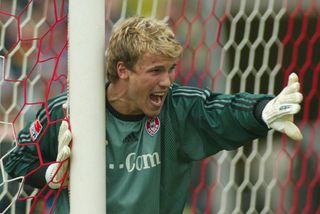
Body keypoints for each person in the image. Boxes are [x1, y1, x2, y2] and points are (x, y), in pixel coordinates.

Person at [5, 16, 303, 214]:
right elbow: (16, 161)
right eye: (156, 70)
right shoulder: (67, 112)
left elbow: (220, 110)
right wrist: (49, 175)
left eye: (171, 69)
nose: (167, 81)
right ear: (122, 70)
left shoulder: (178, 108)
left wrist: (263, 110)